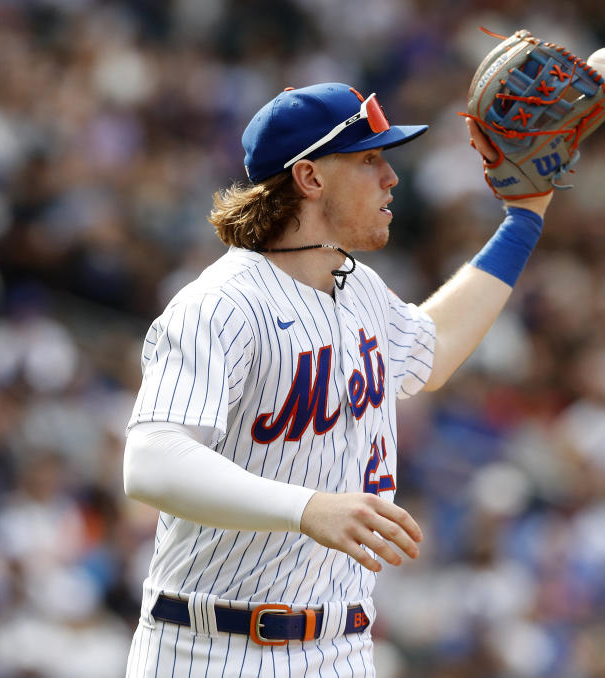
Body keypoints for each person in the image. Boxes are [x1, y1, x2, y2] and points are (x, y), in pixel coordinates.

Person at [122, 82, 551, 676]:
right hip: (209, 644)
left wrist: (525, 218)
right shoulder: (221, 304)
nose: (390, 178)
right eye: (369, 159)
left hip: (340, 649)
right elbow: (152, 460)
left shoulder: (359, 289)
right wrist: (307, 507)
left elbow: (436, 346)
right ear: (310, 178)